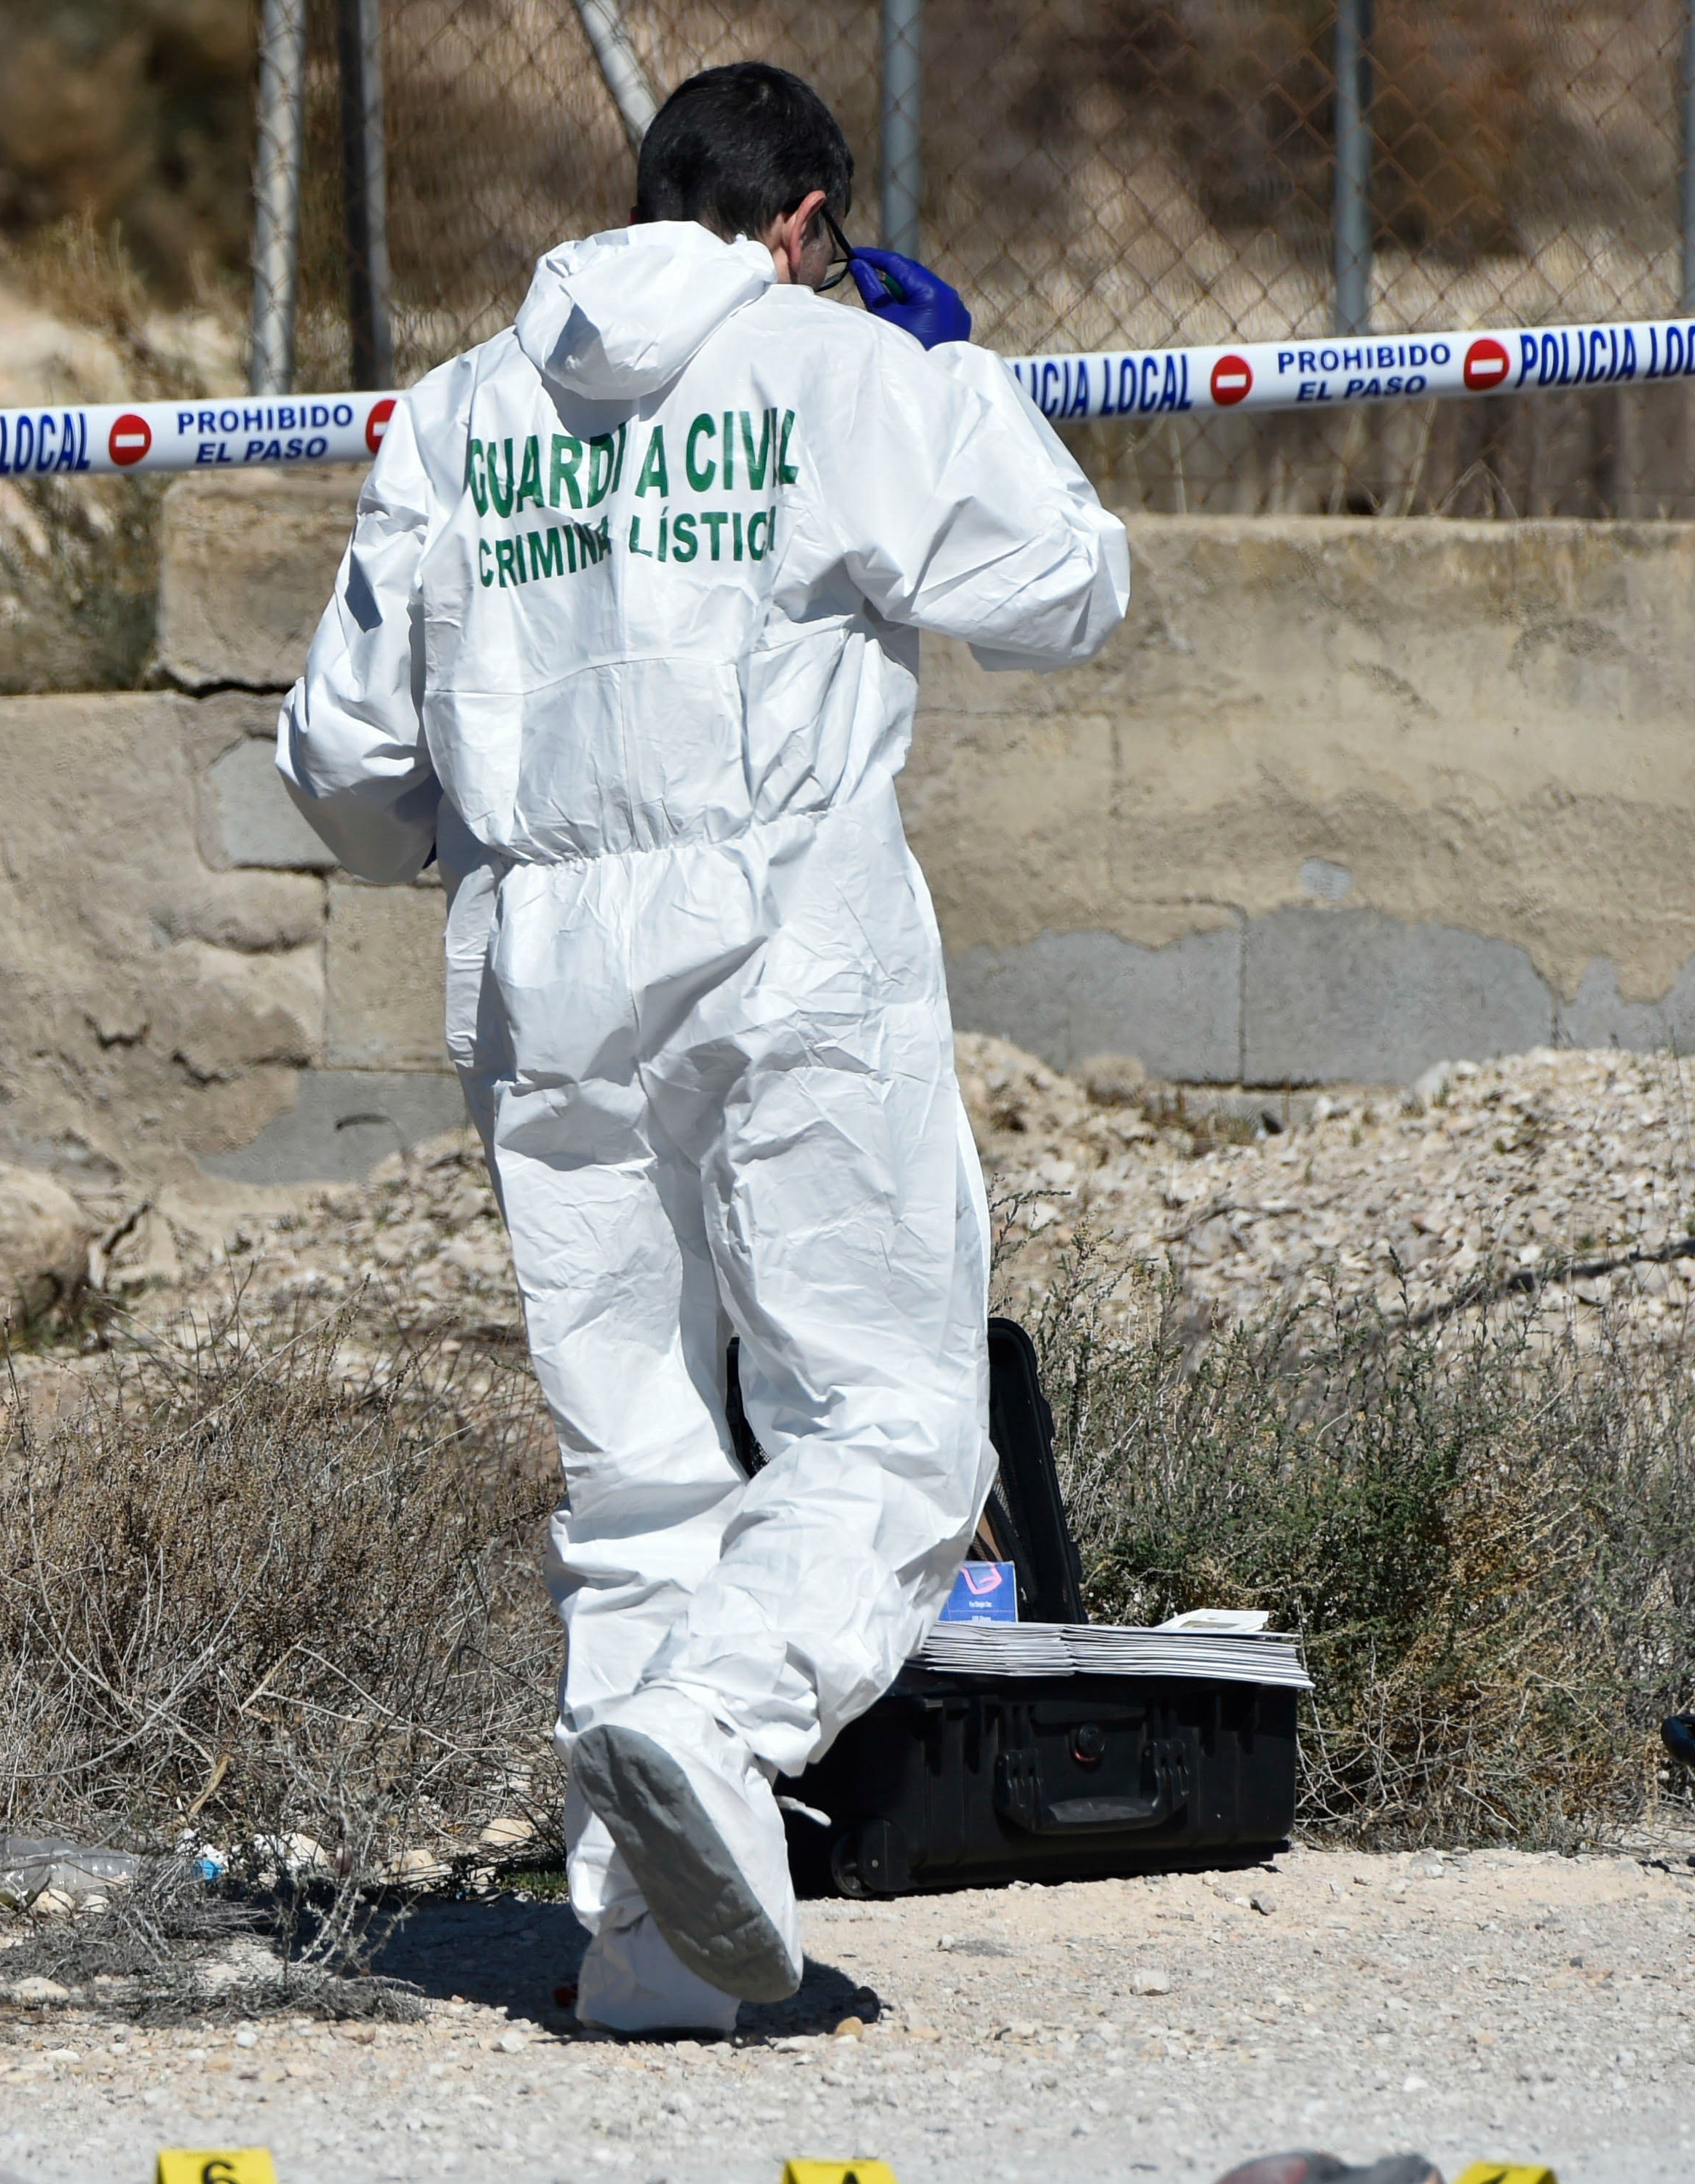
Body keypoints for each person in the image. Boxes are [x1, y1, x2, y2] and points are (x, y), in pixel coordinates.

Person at [277, 62, 1129, 2031]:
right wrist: (957, 380)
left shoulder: (465, 408)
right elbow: (1067, 588)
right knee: (897, 1428)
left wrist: (479, 836)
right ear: (811, 214)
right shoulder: (837, 378)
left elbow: (337, 754)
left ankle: (651, 1956)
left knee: (642, 1465)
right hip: (786, 943)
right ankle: (729, 1731)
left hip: (537, 957)